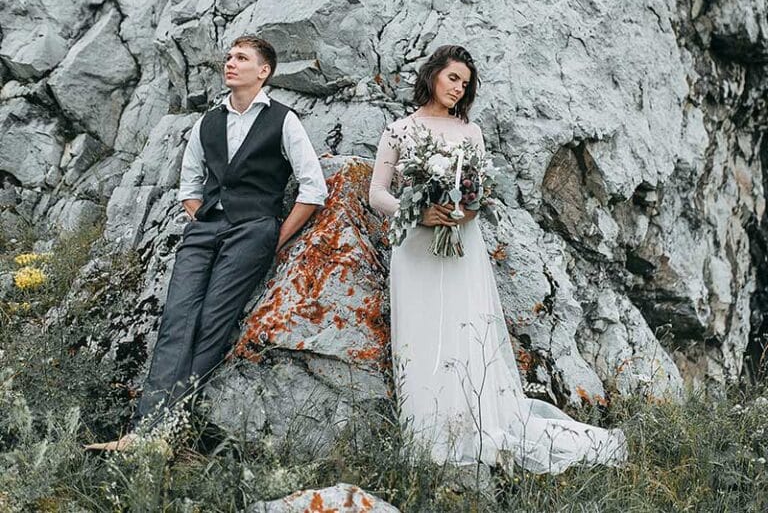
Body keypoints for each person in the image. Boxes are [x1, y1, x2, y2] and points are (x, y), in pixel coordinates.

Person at [369, 45, 627, 474]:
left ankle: (475, 423)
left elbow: (477, 193)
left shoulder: (469, 132)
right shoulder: (398, 131)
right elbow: (377, 194)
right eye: (453, 78)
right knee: (421, 330)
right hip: (414, 248)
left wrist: (465, 211)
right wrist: (417, 213)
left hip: (461, 245)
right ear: (433, 74)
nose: (458, 88)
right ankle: (429, 433)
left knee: (464, 329)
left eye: (465, 84)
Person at [87, 35, 327, 450]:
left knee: (213, 323)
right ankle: (145, 433)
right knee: (176, 320)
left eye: (241, 58)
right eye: (229, 57)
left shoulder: (284, 120)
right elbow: (189, 185)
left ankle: (160, 432)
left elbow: (313, 189)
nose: (230, 63)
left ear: (264, 71)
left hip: (254, 231)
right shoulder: (208, 122)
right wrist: (203, 217)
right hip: (204, 230)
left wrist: (276, 237)